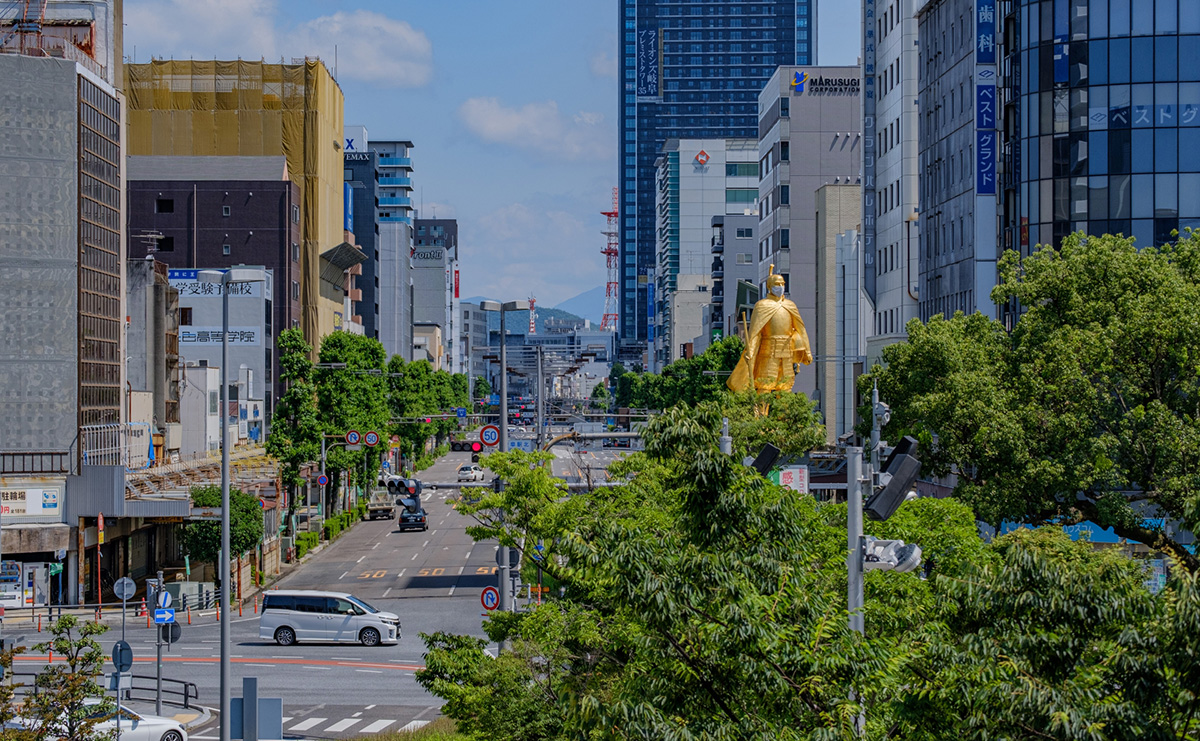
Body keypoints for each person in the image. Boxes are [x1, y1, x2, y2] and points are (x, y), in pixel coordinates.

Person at [727, 267, 812, 394]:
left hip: (787, 351)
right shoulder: (762, 305)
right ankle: (761, 408)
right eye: (777, 284)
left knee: (786, 386)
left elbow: (801, 329)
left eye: (783, 284)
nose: (781, 287)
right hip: (768, 352)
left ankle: (784, 408)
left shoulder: (790, 305)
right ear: (769, 286)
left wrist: (808, 351)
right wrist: (750, 350)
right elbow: (755, 332)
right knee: (765, 385)